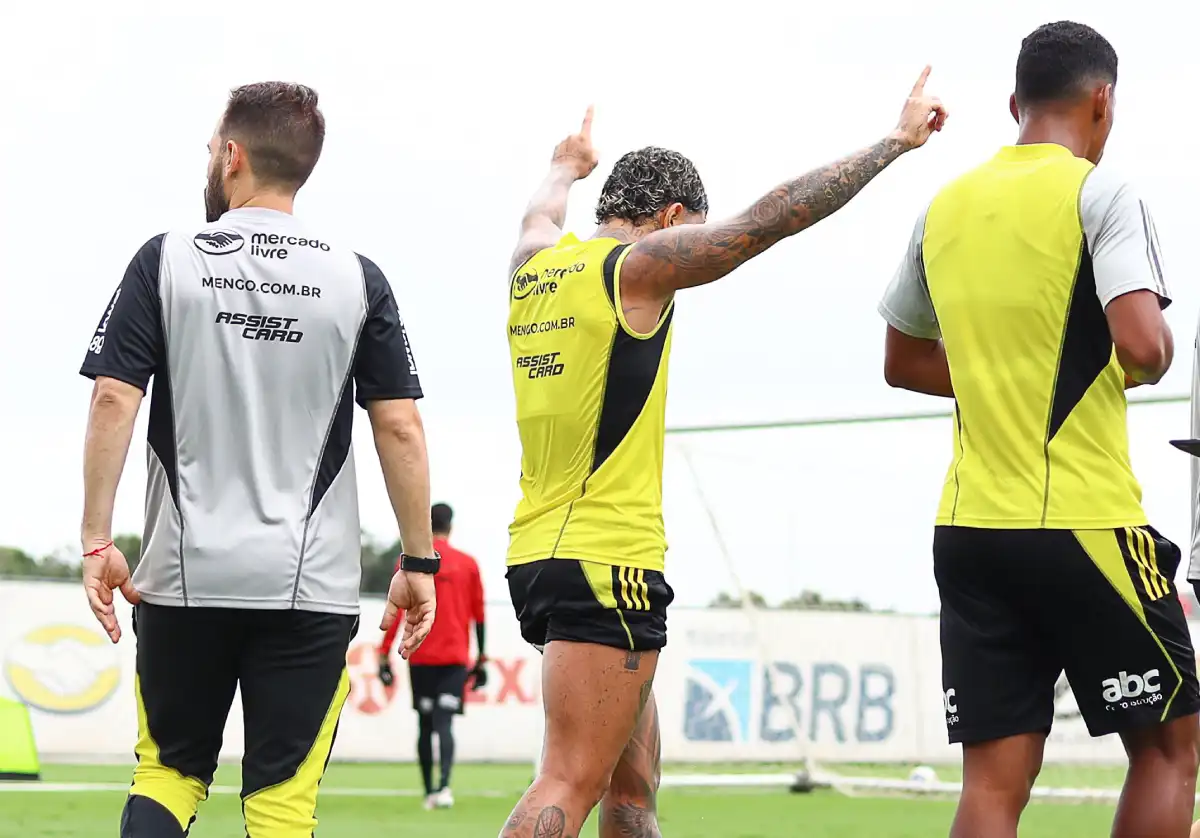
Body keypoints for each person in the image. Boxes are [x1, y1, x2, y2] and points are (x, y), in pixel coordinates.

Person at [499, 72, 947, 838]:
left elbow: (538, 214)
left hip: (541, 554)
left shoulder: (533, 266)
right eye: (686, 231)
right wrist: (893, 146)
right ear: (672, 220)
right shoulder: (633, 272)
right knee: (568, 782)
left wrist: (565, 165)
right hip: (607, 560)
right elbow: (768, 220)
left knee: (632, 792)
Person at [78, 81, 440, 838]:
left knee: (169, 778)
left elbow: (115, 399)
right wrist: (418, 561)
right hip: (309, 589)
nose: (209, 159)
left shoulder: (165, 259)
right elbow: (398, 425)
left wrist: (97, 541)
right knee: (279, 808)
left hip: (184, 578)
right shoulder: (357, 275)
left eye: (212, 148)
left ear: (233, 157)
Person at [879, 21, 1200, 838]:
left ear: (1015, 104)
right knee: (1169, 751)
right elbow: (1143, 347)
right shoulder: (1102, 192)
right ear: (1104, 102)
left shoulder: (945, 205)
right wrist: (1141, 352)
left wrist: (1004, 375)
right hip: (1082, 523)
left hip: (970, 533)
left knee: (992, 788)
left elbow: (905, 361)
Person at [378, 502, 486, 809]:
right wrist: (482, 659)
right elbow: (479, 615)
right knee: (444, 722)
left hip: (420, 655)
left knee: (426, 724)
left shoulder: (411, 564)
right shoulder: (468, 564)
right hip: (454, 659)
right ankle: (444, 788)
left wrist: (383, 655)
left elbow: (396, 611)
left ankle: (429, 792)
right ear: (451, 526)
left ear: (428, 524)